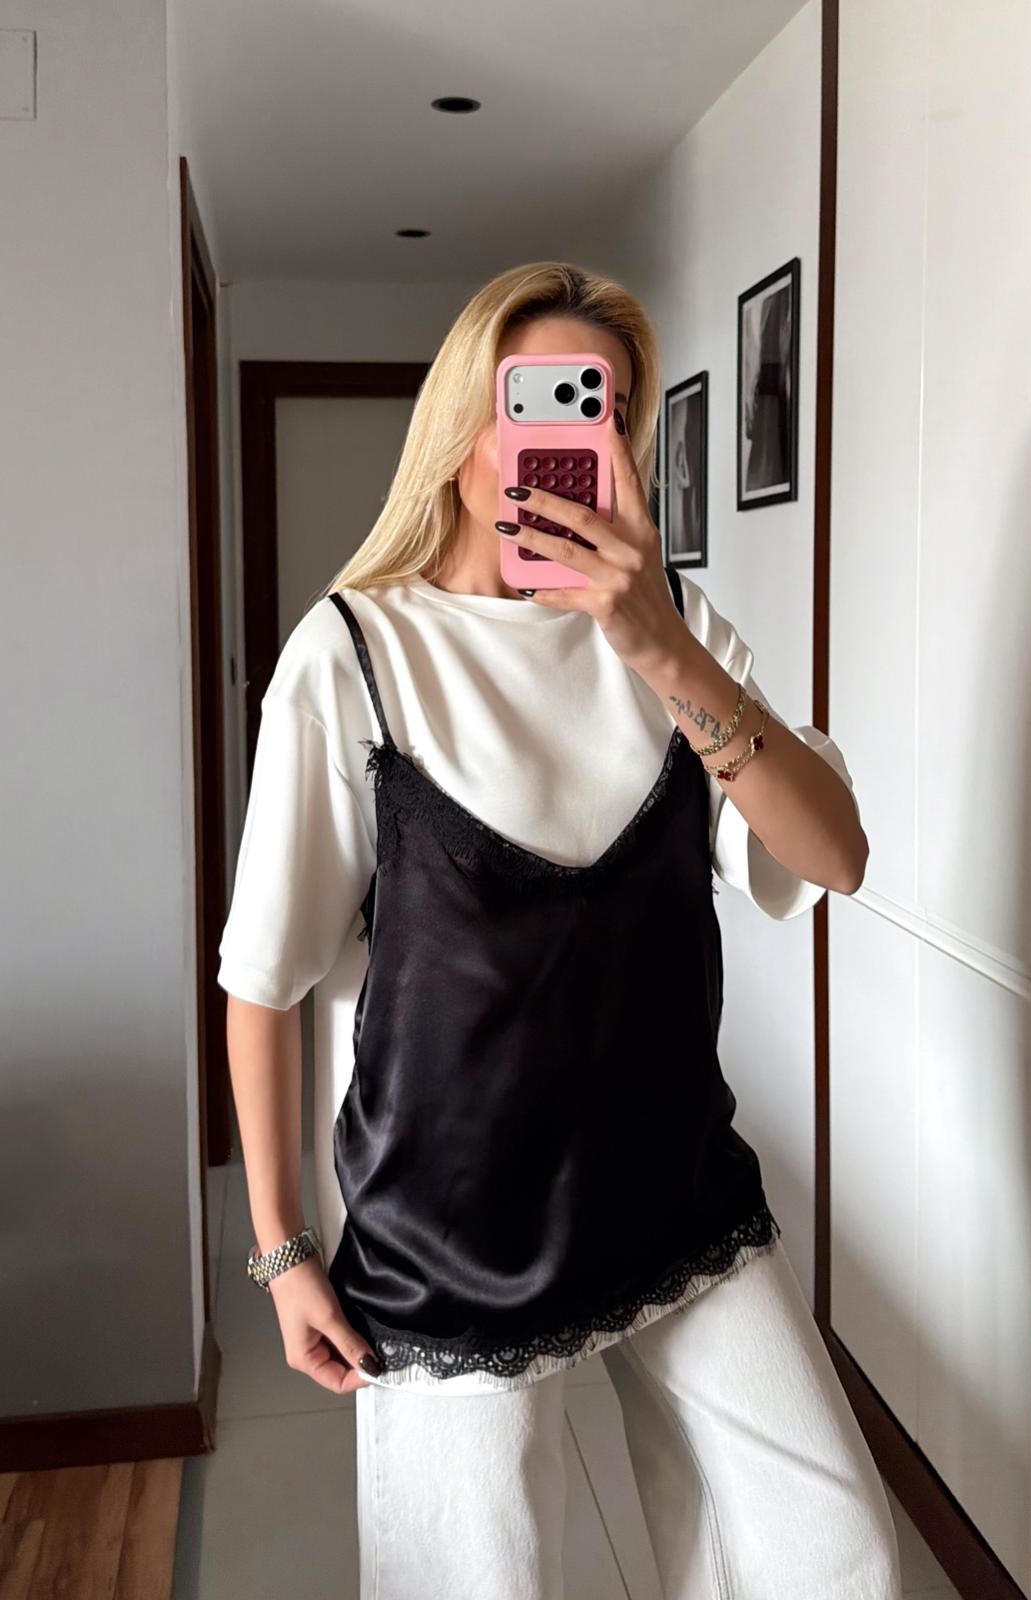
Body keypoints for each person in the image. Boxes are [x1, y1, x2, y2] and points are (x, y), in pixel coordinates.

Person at [217, 261, 903, 1598]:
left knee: (838, 1550)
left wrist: (659, 648)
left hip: (675, 1188)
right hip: (451, 1236)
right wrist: (287, 1250)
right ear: (461, 426)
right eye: (531, 400)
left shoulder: (668, 631)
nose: (562, 439)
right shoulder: (353, 653)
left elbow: (836, 855)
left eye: (602, 409)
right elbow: (262, 979)